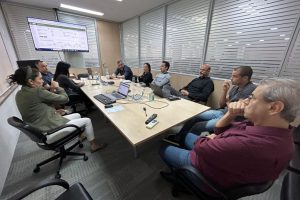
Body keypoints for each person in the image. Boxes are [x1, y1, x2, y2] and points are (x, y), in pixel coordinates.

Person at [160, 78, 299, 192]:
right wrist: (230, 114)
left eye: (252, 98)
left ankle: (181, 177)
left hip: (209, 172)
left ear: (274, 107)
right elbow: (219, 131)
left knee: (163, 147)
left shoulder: (249, 144)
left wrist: (211, 138)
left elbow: (200, 145)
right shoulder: (273, 130)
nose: (245, 101)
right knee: (185, 136)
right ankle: (182, 170)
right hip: (222, 159)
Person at [9, 66, 107, 152]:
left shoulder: (19, 94)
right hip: (48, 132)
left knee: (77, 115)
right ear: (30, 81)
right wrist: (58, 87)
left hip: (39, 130)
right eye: (40, 78)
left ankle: (80, 136)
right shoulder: (37, 91)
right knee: (87, 120)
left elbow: (35, 110)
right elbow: (65, 99)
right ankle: (94, 145)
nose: (42, 81)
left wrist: (54, 111)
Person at [173, 66, 257, 142]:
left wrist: (228, 102)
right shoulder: (236, 87)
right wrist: (224, 91)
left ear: (245, 78)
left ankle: (189, 142)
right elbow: (222, 105)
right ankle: (180, 136)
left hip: (231, 119)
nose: (231, 78)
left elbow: (233, 109)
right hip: (222, 112)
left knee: (198, 126)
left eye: (235, 76)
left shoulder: (250, 90)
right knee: (195, 116)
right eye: (231, 75)